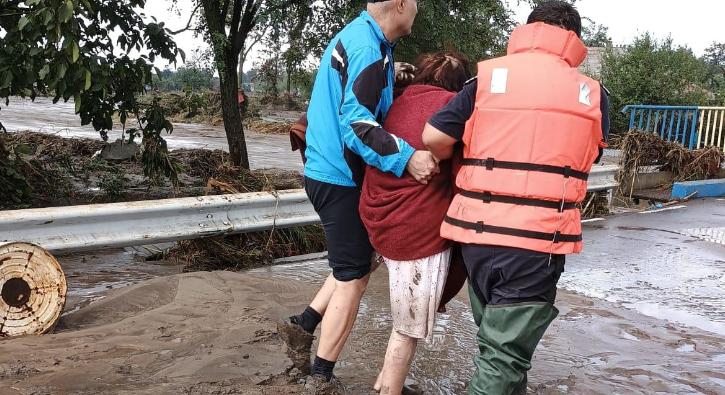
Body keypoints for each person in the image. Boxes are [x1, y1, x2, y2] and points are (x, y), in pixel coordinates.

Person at [422, 2, 610, 394]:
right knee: (503, 358)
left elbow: (434, 138)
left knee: (500, 347)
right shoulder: (591, 93)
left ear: (528, 31)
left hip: (476, 238)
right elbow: (590, 155)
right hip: (536, 242)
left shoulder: (486, 78)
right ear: (574, 40)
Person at [277, 0, 435, 390]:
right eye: (415, 2)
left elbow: (355, 91)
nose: (417, 10)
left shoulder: (368, 41)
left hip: (326, 169)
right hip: (338, 177)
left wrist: (390, 76)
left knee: (360, 260)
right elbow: (356, 124)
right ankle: (321, 377)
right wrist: (407, 157)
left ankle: (305, 323)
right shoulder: (367, 48)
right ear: (399, 4)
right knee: (353, 278)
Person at [358, 51, 472, 395]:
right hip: (416, 230)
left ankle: (385, 382)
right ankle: (389, 389)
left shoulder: (395, 103)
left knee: (402, 316)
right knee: (407, 327)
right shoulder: (455, 110)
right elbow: (462, 176)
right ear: (460, 85)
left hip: (376, 218)